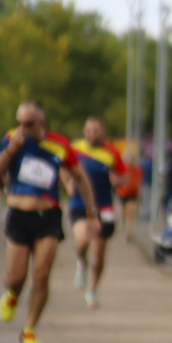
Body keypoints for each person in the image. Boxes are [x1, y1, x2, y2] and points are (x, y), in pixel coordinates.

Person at [0, 101, 99, 343]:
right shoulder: (11, 140)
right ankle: (13, 294)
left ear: (41, 123)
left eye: (28, 124)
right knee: (16, 277)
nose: (22, 128)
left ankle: (29, 331)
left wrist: (92, 212)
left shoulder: (59, 144)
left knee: (42, 274)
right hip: (18, 214)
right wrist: (10, 150)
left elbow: (80, 177)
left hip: (47, 215)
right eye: (20, 123)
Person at [65, 116, 126, 309]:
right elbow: (62, 167)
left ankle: (92, 289)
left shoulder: (112, 153)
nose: (93, 133)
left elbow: (123, 175)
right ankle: (81, 263)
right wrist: (67, 183)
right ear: (84, 131)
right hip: (79, 203)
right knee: (82, 240)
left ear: (103, 132)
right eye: (89, 130)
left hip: (104, 206)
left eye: (96, 130)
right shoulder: (74, 148)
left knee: (99, 254)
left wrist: (117, 181)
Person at [116, 152, 143, 239]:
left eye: (132, 160)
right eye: (129, 160)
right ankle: (123, 226)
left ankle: (129, 232)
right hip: (122, 193)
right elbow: (117, 180)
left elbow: (139, 182)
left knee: (130, 213)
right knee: (123, 213)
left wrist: (139, 193)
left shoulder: (138, 170)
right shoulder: (122, 170)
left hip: (133, 194)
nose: (131, 162)